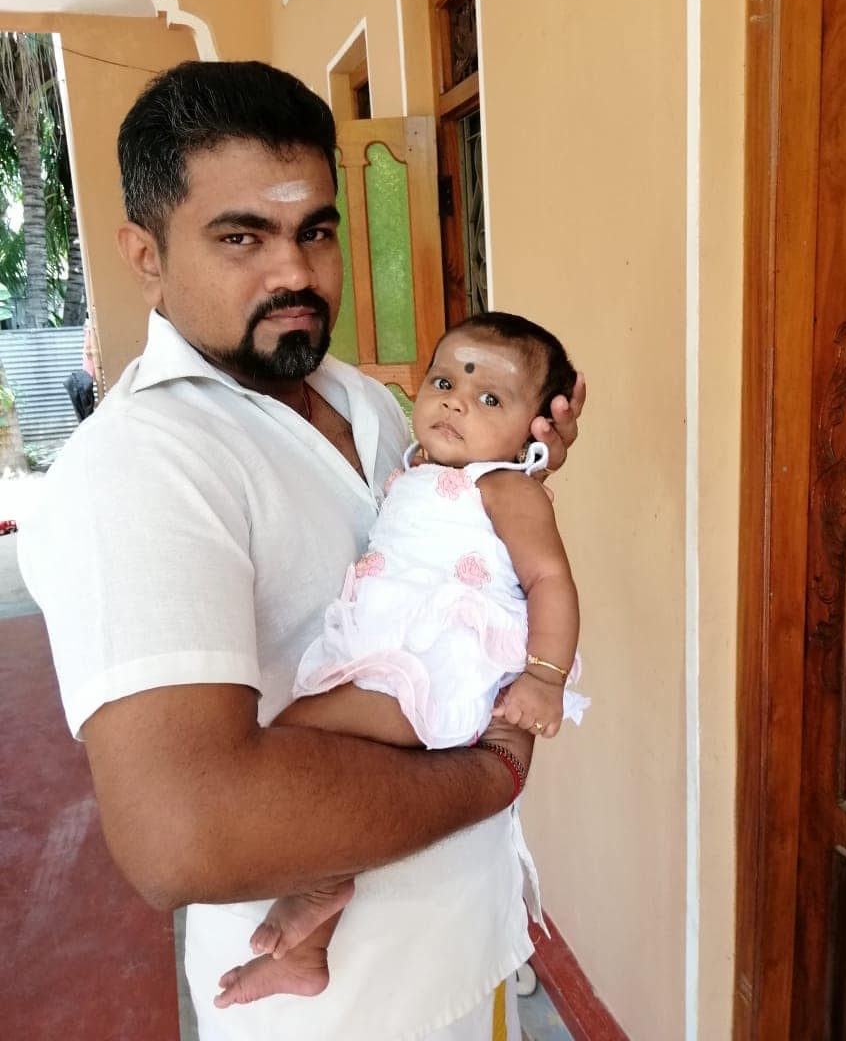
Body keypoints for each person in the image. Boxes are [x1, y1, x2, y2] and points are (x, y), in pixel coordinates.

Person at [17, 61, 585, 1041]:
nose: (295, 273)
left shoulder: (362, 398)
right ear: (145, 255)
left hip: (469, 942)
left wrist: (509, 479)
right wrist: (494, 771)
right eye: (242, 236)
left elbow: (432, 564)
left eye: (315, 231)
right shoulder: (138, 468)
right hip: (342, 1015)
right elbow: (184, 834)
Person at [214, 310, 591, 1009]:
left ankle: (318, 897)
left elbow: (549, 580)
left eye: (489, 398)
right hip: (388, 650)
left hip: (441, 661)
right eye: (444, 382)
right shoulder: (419, 465)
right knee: (327, 768)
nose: (455, 402)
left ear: (534, 433)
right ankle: (310, 947)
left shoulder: (505, 488)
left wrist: (544, 677)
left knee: (296, 737)